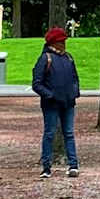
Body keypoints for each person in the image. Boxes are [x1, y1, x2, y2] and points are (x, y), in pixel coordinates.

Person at [31, 25, 81, 176]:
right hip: (51, 104)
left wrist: (74, 92)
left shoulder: (68, 58)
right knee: (49, 133)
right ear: (53, 43)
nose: (63, 44)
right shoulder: (45, 59)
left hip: (68, 102)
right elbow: (36, 83)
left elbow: (74, 77)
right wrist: (50, 95)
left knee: (69, 133)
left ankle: (74, 165)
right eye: (60, 41)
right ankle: (46, 166)